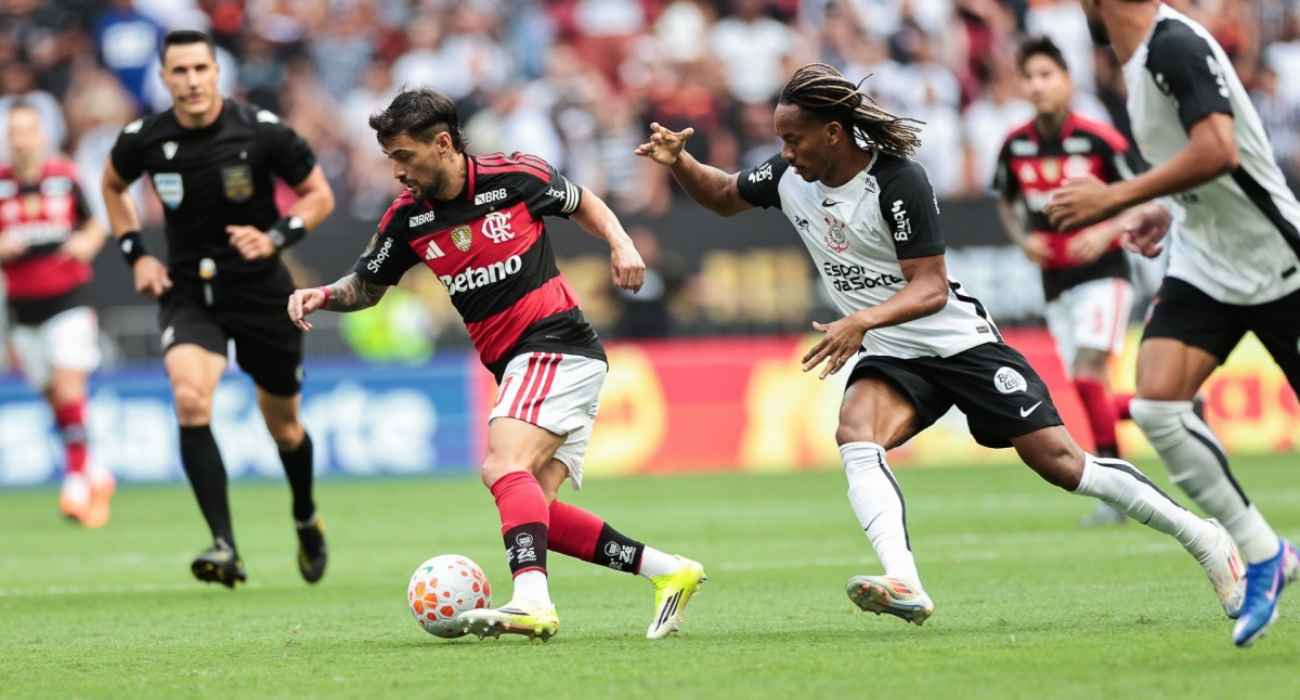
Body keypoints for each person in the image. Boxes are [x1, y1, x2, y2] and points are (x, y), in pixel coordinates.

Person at [636, 62, 1241, 628]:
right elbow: (722, 196)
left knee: (1062, 464)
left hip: (959, 344)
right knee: (856, 434)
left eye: (795, 139)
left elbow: (928, 288)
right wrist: (679, 162)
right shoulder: (791, 175)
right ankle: (905, 581)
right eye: (782, 141)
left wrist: (859, 321)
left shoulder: (898, 183)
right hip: (894, 352)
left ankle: (1203, 537)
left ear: (835, 133)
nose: (785, 153)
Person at [287, 88, 706, 642]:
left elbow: (583, 202)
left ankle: (532, 601)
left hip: (555, 343)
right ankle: (668, 570)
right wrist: (322, 294)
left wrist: (622, 245)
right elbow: (366, 288)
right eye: (390, 158)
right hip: (528, 365)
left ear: (442, 144)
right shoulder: (408, 219)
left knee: (499, 466)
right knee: (537, 510)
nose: (396, 171)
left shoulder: (515, 176)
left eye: (403, 156)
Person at [1050, 0, 1300, 647]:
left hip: (1276, 261)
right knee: (1159, 405)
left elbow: (1219, 150)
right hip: (1206, 264)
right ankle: (1264, 552)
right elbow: (1202, 160)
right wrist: (1166, 207)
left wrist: (1116, 196)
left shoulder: (1173, 48)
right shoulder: (1135, 62)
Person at [100, 30, 336, 589]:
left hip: (259, 291)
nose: (191, 81)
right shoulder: (143, 138)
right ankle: (225, 545)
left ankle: (305, 515)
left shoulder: (261, 132)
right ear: (164, 78)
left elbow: (319, 194)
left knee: (284, 427)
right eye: (179, 71)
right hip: (189, 291)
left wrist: (277, 237)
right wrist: (136, 254)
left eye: (200, 68)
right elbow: (111, 187)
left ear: (216, 72)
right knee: (189, 397)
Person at [993, 36, 1135, 527]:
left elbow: (1141, 196)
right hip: (1055, 281)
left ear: (1067, 81)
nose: (1037, 86)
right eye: (1029, 77)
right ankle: (1166, 406)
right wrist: (1021, 239)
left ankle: (1117, 493)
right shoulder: (1015, 145)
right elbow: (1005, 203)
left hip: (1104, 274)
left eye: (1046, 75)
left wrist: (1108, 231)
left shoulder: (1100, 139)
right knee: (1088, 385)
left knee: (1089, 373)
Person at [0, 102, 114, 527]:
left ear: (42, 135)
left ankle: (75, 482)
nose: (22, 138)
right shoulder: (2, 185)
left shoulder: (64, 177)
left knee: (68, 390)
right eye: (15, 131)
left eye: (29, 130)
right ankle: (96, 471)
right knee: (53, 397)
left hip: (69, 298)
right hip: (21, 307)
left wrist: (86, 242)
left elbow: (95, 223)